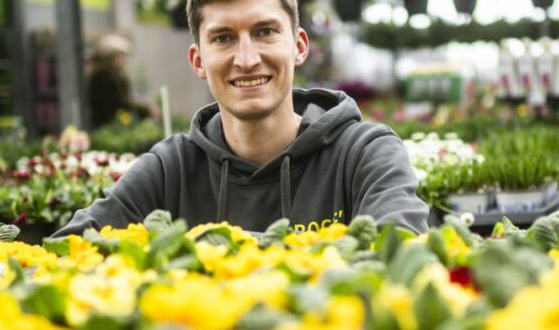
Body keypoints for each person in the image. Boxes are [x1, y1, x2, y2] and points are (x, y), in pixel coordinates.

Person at [53, 0, 429, 237]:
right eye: (223, 38)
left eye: (264, 32)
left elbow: (400, 246)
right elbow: (67, 250)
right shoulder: (171, 168)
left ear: (298, 47)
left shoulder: (363, 153)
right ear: (198, 60)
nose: (246, 58)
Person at [87, 34, 153, 129]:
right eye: (120, 56)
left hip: (112, 124)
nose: (123, 60)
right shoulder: (103, 77)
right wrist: (146, 111)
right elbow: (118, 105)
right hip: (106, 126)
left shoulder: (115, 75)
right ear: (111, 58)